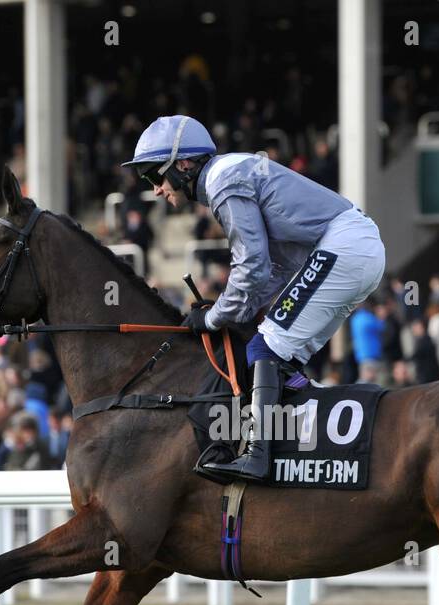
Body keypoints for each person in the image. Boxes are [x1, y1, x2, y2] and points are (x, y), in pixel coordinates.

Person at [124, 115, 385, 480]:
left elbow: (252, 264)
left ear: (182, 164)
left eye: (155, 175)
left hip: (345, 247)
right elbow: (274, 269)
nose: (156, 189)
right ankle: (308, 448)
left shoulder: (222, 181)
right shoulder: (228, 176)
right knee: (281, 358)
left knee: (265, 349)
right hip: (352, 249)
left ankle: (258, 456)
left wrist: (215, 316)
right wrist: (234, 312)